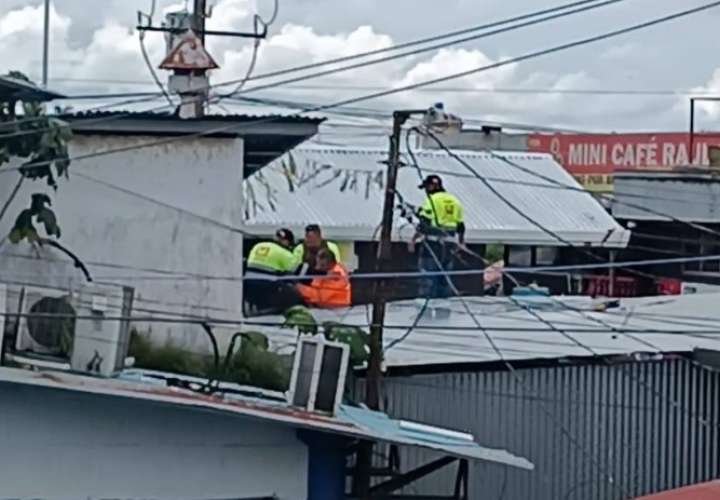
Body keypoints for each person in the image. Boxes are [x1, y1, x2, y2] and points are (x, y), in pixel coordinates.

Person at [410, 174, 466, 299]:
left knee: (428, 280)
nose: (425, 191)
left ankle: (426, 313)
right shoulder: (455, 201)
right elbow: (461, 226)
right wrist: (461, 243)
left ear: (431, 187)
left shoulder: (431, 201)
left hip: (433, 246)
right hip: (450, 247)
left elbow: (424, 225)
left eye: (426, 187)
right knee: (445, 280)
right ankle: (443, 313)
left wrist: (413, 240)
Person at [245, 228, 303, 314]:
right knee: (293, 293)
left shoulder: (258, 246)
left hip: (247, 284)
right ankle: (276, 311)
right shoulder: (283, 252)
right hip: (266, 286)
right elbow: (298, 271)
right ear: (286, 241)